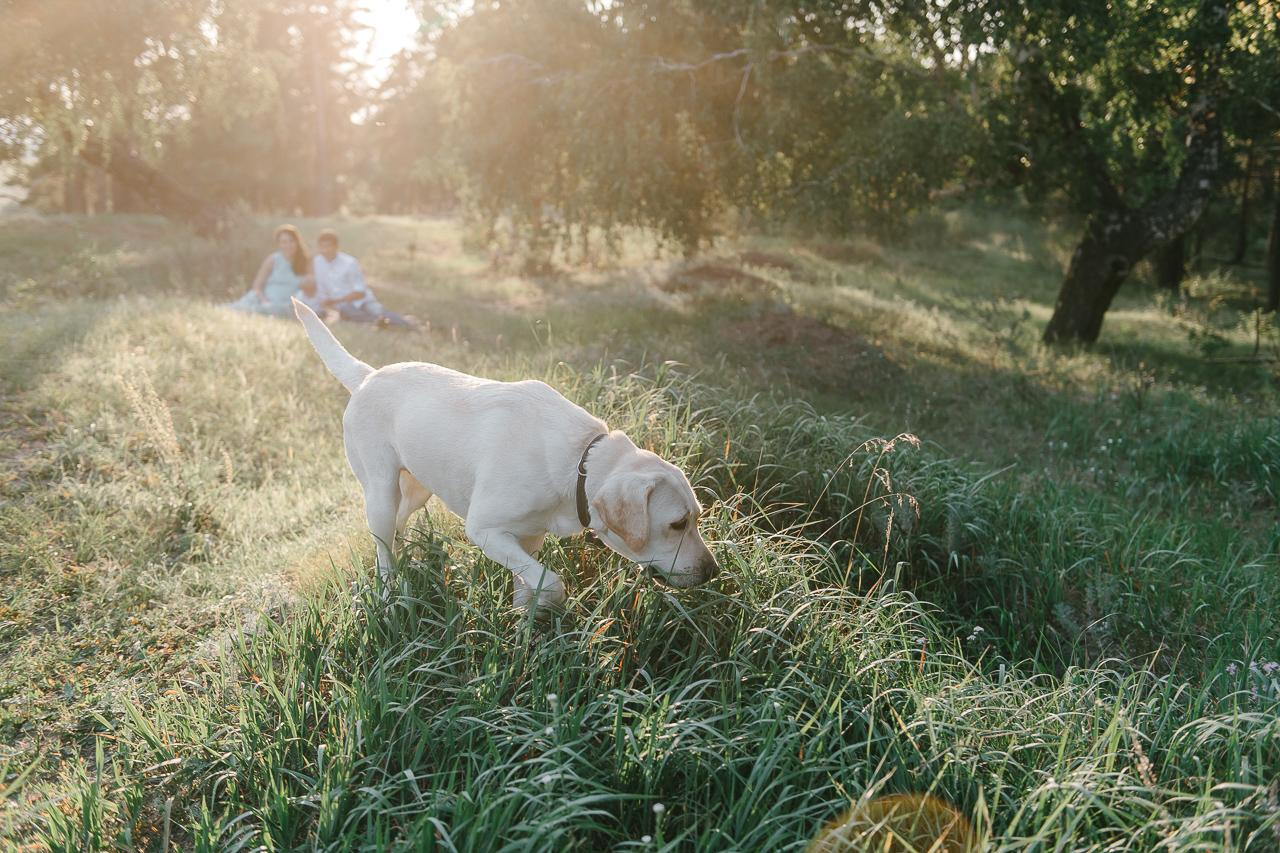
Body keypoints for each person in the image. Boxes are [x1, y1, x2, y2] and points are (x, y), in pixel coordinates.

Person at [307, 229, 412, 327]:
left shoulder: (349, 263)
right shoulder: (318, 262)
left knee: (378, 311)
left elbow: (360, 292)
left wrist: (335, 300)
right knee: (346, 310)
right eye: (322, 247)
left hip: (362, 301)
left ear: (336, 246)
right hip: (343, 306)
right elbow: (320, 287)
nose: (325, 250)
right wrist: (326, 302)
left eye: (328, 246)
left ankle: (412, 325)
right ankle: (378, 322)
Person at [227, 224, 315, 316]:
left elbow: (311, 289)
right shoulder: (273, 259)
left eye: (291, 241)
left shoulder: (306, 262)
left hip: (284, 305)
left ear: (297, 242)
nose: (288, 245)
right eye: (284, 242)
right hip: (263, 298)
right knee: (236, 309)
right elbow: (257, 286)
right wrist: (264, 301)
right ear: (279, 244)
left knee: (271, 310)